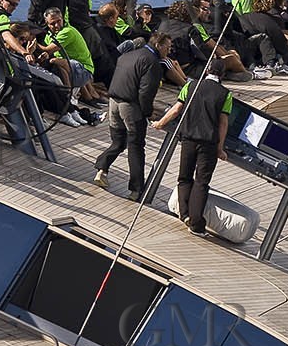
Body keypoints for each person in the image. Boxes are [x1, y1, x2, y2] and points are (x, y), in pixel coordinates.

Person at [94, 30, 175, 202]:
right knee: (136, 146)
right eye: (167, 47)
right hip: (129, 107)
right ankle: (136, 190)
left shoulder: (128, 55)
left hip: (113, 103)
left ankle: (102, 169)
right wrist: (148, 113)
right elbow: (146, 92)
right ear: (158, 45)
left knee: (118, 141)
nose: (169, 51)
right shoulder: (152, 63)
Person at [153, 65, 233, 235]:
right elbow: (223, 123)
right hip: (208, 143)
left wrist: (160, 123)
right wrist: (220, 148)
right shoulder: (226, 94)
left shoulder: (190, 85)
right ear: (222, 75)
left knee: (184, 177)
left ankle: (185, 214)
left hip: (188, 138)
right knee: (201, 182)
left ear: (207, 72)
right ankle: (196, 224)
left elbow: (176, 109)